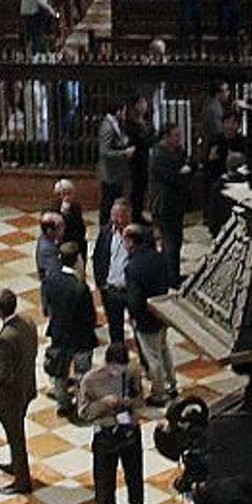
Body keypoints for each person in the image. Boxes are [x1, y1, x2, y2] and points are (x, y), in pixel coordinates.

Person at [77, 340, 153, 504]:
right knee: (103, 479)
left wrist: (130, 404)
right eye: (114, 367)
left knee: (135, 474)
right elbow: (83, 412)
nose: (117, 371)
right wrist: (103, 404)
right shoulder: (91, 380)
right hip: (106, 432)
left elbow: (140, 401)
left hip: (129, 430)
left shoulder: (132, 372)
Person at [0, 287, 38, 494]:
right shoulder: (28, 322)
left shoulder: (5, 338)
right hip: (26, 386)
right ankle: (16, 464)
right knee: (16, 432)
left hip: (10, 395)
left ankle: (22, 480)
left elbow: (2, 373)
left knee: (15, 436)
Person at [123, 220, 177, 403]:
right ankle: (172, 384)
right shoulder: (159, 257)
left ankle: (159, 393)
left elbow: (135, 299)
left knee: (152, 358)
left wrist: (134, 316)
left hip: (145, 318)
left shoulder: (133, 266)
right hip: (161, 311)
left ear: (131, 242)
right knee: (163, 349)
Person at [42, 241, 98, 413]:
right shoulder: (80, 288)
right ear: (78, 260)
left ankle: (62, 403)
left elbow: (47, 305)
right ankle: (82, 405)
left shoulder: (51, 278)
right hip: (80, 336)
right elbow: (90, 316)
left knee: (60, 371)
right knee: (82, 372)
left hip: (59, 332)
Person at [146, 120, 193, 282]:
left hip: (175, 204)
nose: (179, 139)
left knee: (176, 242)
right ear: (166, 137)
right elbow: (175, 178)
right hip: (164, 205)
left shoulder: (176, 151)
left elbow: (189, 164)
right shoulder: (159, 155)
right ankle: (169, 277)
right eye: (176, 136)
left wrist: (184, 170)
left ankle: (174, 274)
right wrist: (183, 172)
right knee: (170, 243)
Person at [92, 194, 134, 344]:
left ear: (129, 216)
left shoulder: (140, 234)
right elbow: (98, 257)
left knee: (139, 326)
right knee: (115, 328)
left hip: (131, 290)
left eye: (121, 216)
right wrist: (100, 283)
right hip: (110, 290)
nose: (116, 220)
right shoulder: (106, 231)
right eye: (114, 216)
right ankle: (119, 358)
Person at [97, 102, 132, 219]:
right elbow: (104, 151)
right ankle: (105, 224)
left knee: (113, 198)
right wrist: (124, 153)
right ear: (118, 111)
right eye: (124, 111)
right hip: (110, 172)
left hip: (115, 172)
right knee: (108, 200)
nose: (125, 114)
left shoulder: (114, 123)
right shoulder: (108, 126)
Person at [34, 209, 65, 286]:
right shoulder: (47, 250)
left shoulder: (47, 239)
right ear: (50, 231)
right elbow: (55, 275)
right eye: (60, 227)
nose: (63, 229)